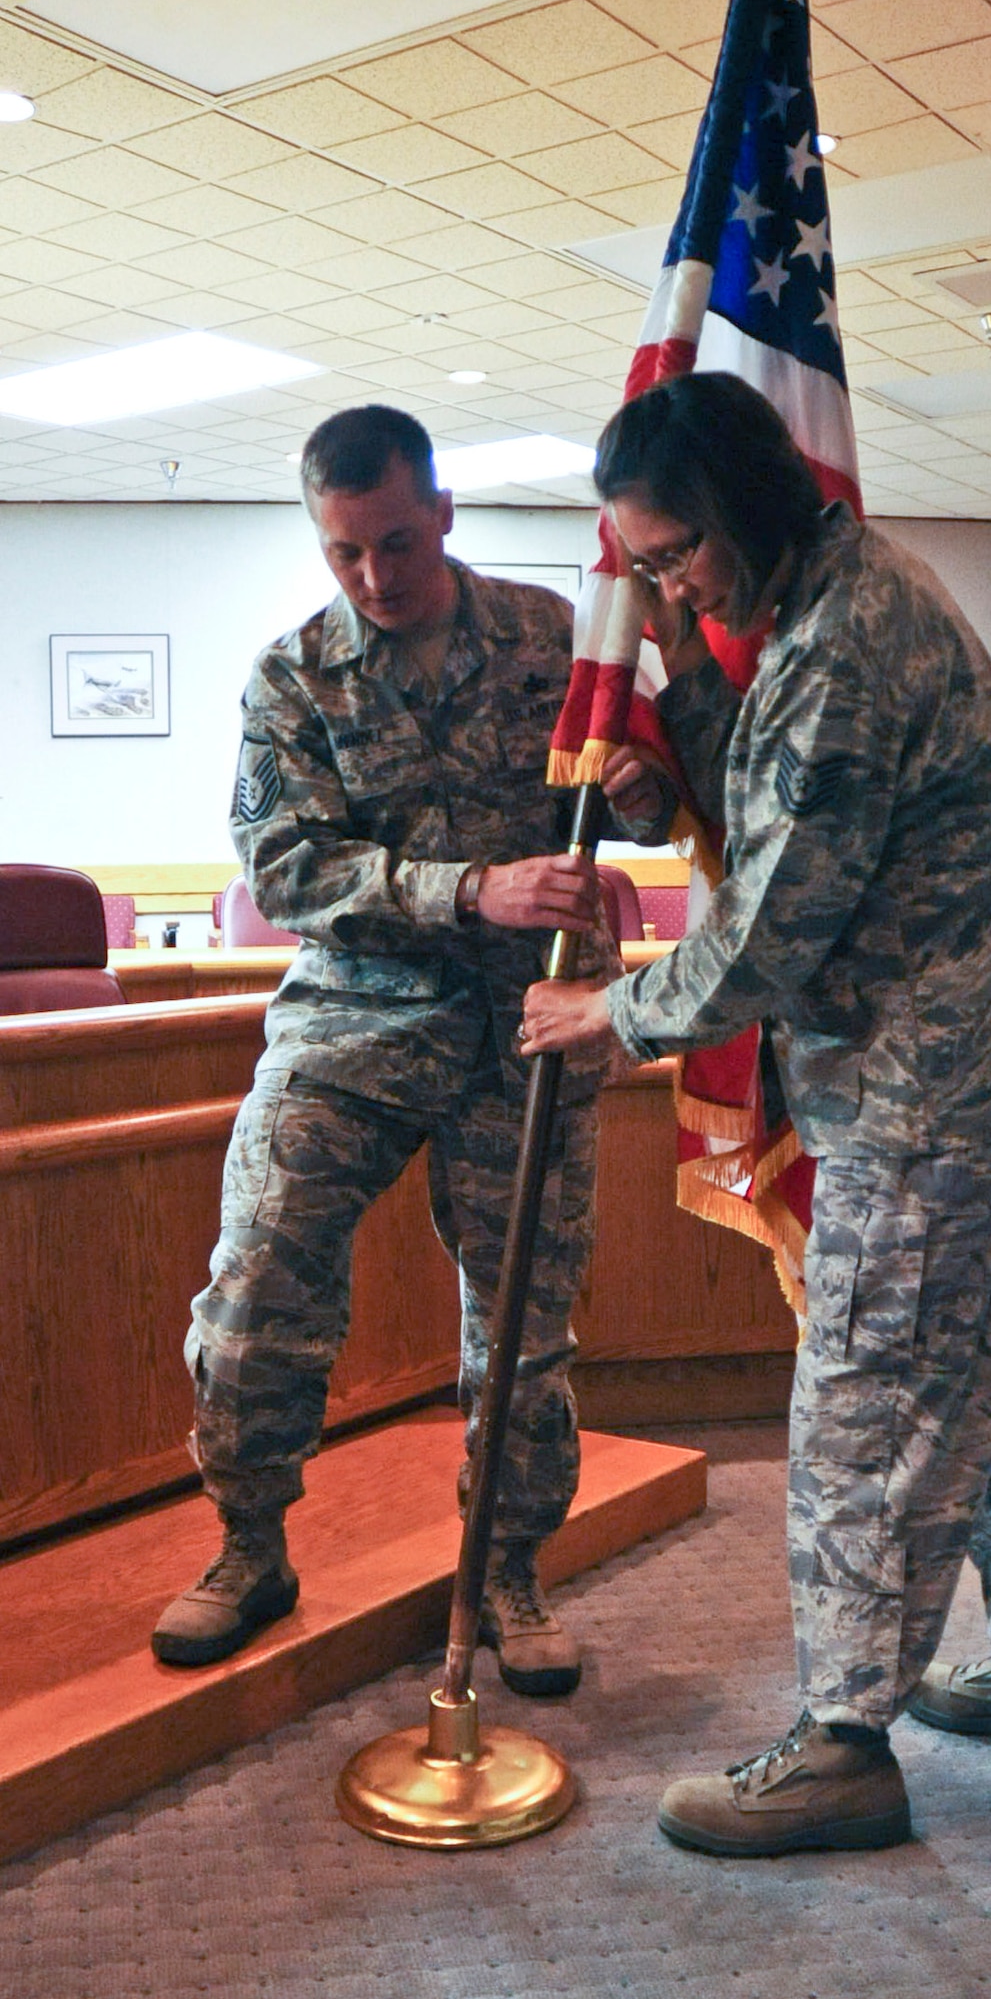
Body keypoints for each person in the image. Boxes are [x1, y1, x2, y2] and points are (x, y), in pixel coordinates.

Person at [521, 372, 991, 1856]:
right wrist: (674, 674)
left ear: (740, 505)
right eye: (643, 568)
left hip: (927, 1109)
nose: (663, 585)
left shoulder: (843, 637)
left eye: (672, 559)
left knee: (868, 1415)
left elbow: (776, 926)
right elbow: (785, 803)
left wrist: (609, 1015)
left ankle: (844, 1741)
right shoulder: (842, 601)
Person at [152, 404, 615, 1696]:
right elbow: (286, 866)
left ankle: (506, 1571)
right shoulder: (292, 674)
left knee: (520, 1324)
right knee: (256, 1281)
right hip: (353, 1020)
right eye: (343, 551)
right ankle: (250, 1546)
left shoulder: (548, 637)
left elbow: (617, 796)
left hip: (526, 1028)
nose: (373, 577)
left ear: (445, 512)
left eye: (396, 543)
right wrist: (468, 890)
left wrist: (636, 794)